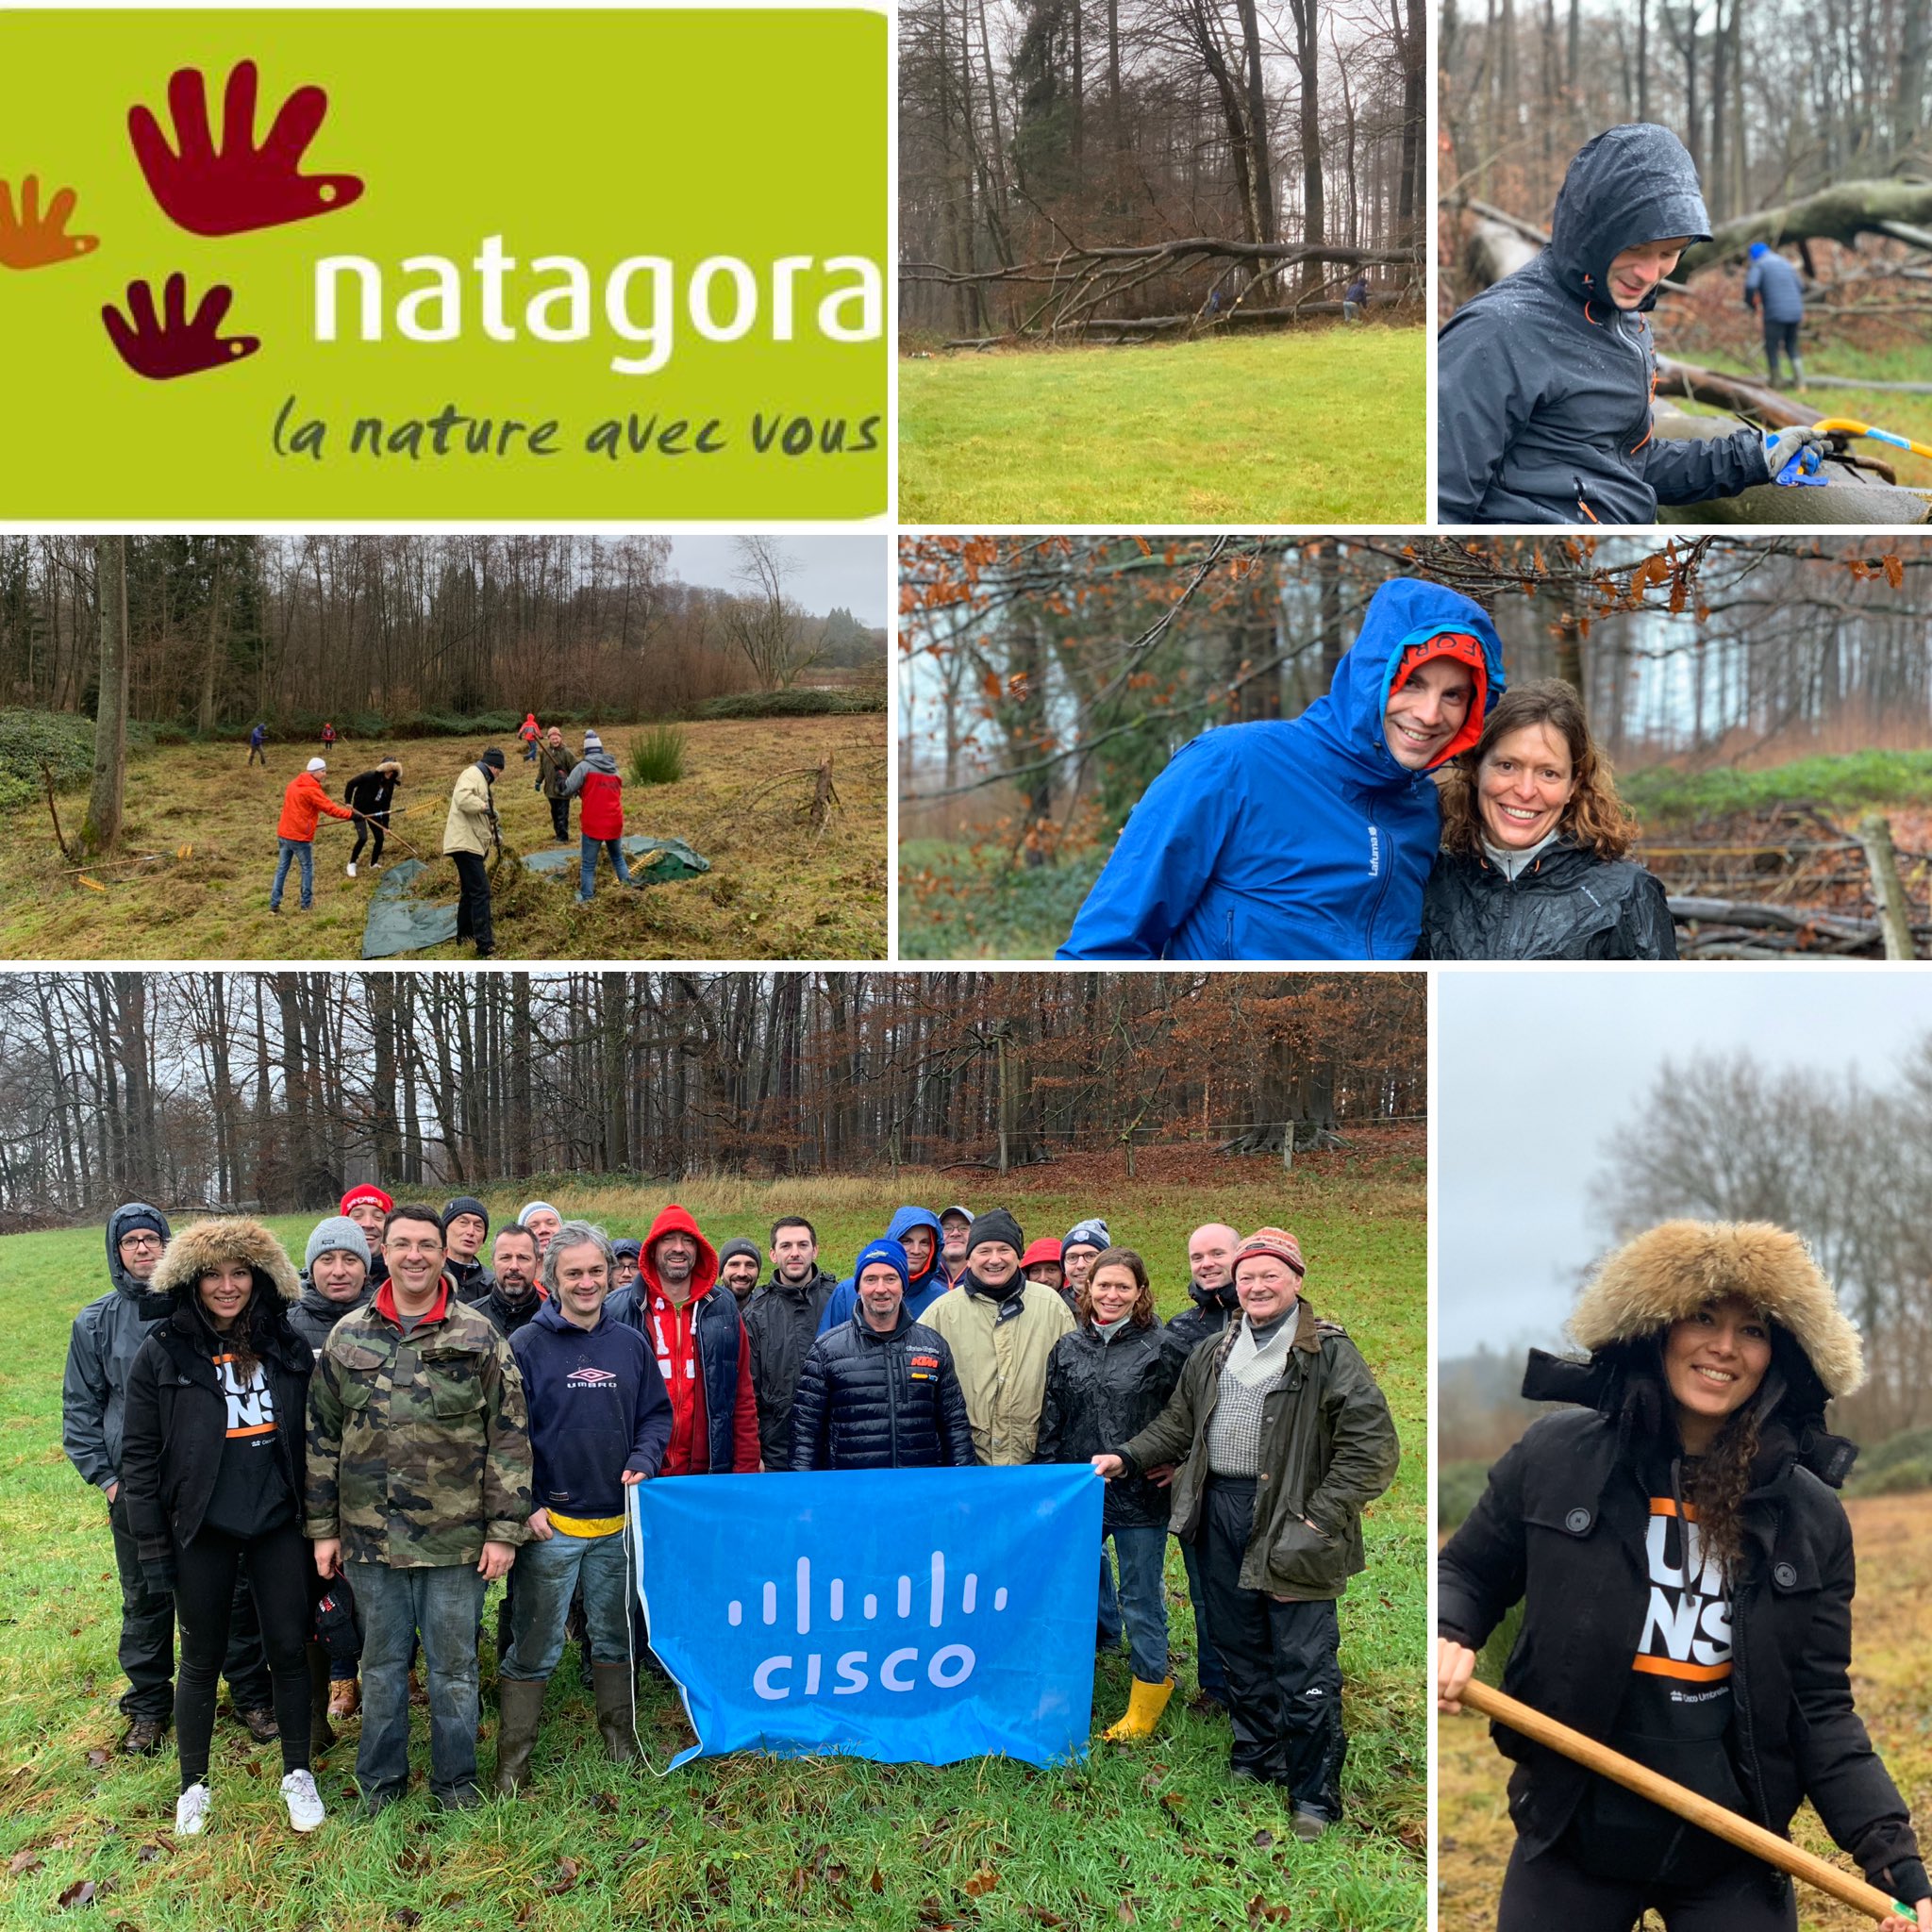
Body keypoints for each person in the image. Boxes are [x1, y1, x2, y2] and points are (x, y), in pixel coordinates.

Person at [1437, 1221, 1932, 1932]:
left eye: (1752, 1330)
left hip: (1730, 1843)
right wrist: (1450, 1628)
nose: (1724, 1346)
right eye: (1702, 1317)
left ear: (1778, 1356)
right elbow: (1469, 1573)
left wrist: (1894, 1861)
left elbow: (1820, 1707)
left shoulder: (1810, 1518)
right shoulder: (1555, 1459)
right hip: (1574, 1829)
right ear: (1655, 1330)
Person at [1094, 1228, 1398, 1829]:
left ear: (1296, 1280)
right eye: (1247, 1276)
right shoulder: (1215, 1350)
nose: (1257, 1286)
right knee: (1238, 1643)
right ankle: (1258, 1753)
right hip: (1219, 1511)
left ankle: (1314, 1792)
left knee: (1303, 1657)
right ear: (1234, 1284)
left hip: (1295, 1517)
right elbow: (1178, 1425)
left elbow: (1372, 1448)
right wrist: (1125, 1456)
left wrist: (1319, 1516)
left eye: (1270, 1275)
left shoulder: (1327, 1351)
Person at [1059, 578, 1506, 960]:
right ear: (1373, 677)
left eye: (1453, 695)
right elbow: (1103, 947)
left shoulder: (1422, 812)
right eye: (1411, 683)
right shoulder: (1231, 764)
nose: (1429, 714)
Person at [1438, 124, 1824, 525]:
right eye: (1635, 248)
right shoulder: (1496, 333)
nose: (1648, 272)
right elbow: (1440, 505)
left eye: (1670, 253)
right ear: (1591, 229)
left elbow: (1624, 465)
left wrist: (1751, 459)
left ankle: (1793, 380)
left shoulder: (1626, 320)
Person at [306, 1204, 533, 1814]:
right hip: (371, 1541)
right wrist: (323, 1529)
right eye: (402, 1243)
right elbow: (323, 1436)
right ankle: (380, 1787)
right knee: (380, 1667)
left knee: (454, 1671)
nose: (413, 1255)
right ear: (386, 1252)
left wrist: (505, 1530)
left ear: (441, 1254)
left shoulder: (478, 1336)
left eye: (426, 1245)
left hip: (457, 1543)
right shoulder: (347, 1335)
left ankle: (455, 1785)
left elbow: (509, 1437)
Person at [120, 1219, 323, 1837]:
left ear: (260, 1280)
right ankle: (194, 1785)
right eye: (214, 1274)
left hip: (277, 1524)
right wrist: (153, 1544)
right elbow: (139, 1452)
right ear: (193, 1280)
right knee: (201, 1657)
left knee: (288, 1649)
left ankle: (298, 1772)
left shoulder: (286, 1347)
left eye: (240, 1274)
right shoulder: (164, 1350)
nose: (228, 1286)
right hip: (201, 1526)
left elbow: (314, 1437)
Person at [64, 1203, 275, 1755]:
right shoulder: (94, 1323)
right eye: (129, 1241)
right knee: (146, 1599)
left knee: (232, 1594)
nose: (141, 1249)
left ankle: (252, 1695)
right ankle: (150, 1707)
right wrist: (111, 1483)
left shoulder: (203, 1314)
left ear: (170, 1248)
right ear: (116, 1251)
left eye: (151, 1239)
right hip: (135, 1490)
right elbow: (80, 1412)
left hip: (207, 1486)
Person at [495, 1222, 672, 1793]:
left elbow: (656, 1415)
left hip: (617, 1523)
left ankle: (620, 1737)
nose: (587, 1281)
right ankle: (513, 1760)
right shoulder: (526, 1346)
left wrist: (645, 1457)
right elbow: (504, 1434)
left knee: (615, 1633)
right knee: (536, 1642)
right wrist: (525, 1505)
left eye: (596, 1270)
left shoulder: (629, 1343)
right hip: (550, 1527)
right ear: (553, 1280)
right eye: (574, 1272)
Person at [1417, 679, 1677, 960]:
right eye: (1507, 766)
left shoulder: (1627, 894)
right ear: (1477, 769)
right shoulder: (1426, 878)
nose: (1525, 791)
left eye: (1548, 773)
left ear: (1573, 786)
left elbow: (1660, 1002)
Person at [1037, 1247, 1182, 1740]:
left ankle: (1148, 1692)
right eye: (1104, 1285)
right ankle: (1067, 1681)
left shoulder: (1163, 1347)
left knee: (1140, 1596)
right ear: (1086, 1288)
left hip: (1140, 1493)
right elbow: (1052, 1416)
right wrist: (1046, 1481)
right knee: (1069, 1589)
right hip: (1079, 1494)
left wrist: (1175, 1462)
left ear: (1140, 1291)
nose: (1112, 1294)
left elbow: (1182, 1416)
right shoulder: (1068, 1348)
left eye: (1123, 1286)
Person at [289, 1215, 375, 1729]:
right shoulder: (289, 1326)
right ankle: (335, 1687)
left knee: (380, 1586)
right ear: (310, 1267)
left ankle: (392, 1674)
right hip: (312, 1482)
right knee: (323, 1589)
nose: (339, 1271)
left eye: (350, 1260)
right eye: (327, 1259)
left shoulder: (385, 1318)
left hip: (374, 1480)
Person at [790, 1239, 974, 1471]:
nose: (880, 1288)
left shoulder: (934, 1346)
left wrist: (964, 1485)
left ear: (903, 1285)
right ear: (858, 1287)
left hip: (920, 1489)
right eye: (870, 1279)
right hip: (852, 1491)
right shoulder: (826, 1350)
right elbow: (805, 1433)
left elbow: (955, 1427)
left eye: (890, 1278)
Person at [607, 1206, 760, 1476]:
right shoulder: (619, 1308)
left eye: (688, 1240)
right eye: (668, 1239)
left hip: (707, 1472)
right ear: (653, 1249)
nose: (679, 1248)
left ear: (698, 1249)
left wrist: (746, 1468)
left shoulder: (723, 1307)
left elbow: (742, 1394)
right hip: (638, 1472)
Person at [1159, 1221, 1243, 1713]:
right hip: (1199, 1483)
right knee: (1206, 1588)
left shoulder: (1273, 1318)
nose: (1207, 1264)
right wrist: (1173, 1462)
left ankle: (1268, 1679)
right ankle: (1216, 1684)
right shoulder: (1182, 1329)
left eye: (1217, 1253)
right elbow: (1170, 1409)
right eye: (1197, 1257)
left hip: (1256, 1480)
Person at [924, 1210, 1076, 1465]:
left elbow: (1072, 1385)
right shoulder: (940, 1313)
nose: (995, 1260)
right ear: (969, 1258)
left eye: (1004, 1249)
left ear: (1018, 1256)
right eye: (984, 1251)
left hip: (1035, 1463)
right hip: (966, 1464)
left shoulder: (1051, 1306)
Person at [743, 1216, 841, 1469]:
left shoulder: (840, 1300)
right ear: (773, 1254)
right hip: (778, 1451)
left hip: (837, 1448)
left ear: (815, 1250)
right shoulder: (755, 1313)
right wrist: (754, 1453)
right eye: (786, 1246)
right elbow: (747, 1391)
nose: (795, 1253)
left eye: (803, 1245)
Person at [821, 1207, 947, 1334]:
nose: (916, 1250)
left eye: (925, 1242)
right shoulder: (846, 1293)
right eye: (906, 1241)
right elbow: (824, 1347)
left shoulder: (941, 1300)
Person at [442, 747, 505, 960]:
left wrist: (495, 835)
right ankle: (485, 945)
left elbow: (480, 815)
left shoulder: (482, 780)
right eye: (500, 770)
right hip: (464, 843)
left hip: (471, 842)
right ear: (493, 767)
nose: (499, 775)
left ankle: (464, 936)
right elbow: (463, 799)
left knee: (470, 892)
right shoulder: (472, 774)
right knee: (481, 891)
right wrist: (485, 807)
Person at [272, 757, 355, 914]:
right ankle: (306, 905)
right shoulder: (312, 790)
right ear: (314, 772)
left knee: (282, 869)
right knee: (307, 868)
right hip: (300, 838)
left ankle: (274, 905)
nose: (325, 774)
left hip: (284, 833)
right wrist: (351, 815)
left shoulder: (292, 784)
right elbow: (331, 809)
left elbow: (297, 808)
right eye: (323, 771)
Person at [564, 729, 634, 903]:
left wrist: (561, 779)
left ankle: (587, 898)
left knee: (588, 865)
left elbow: (566, 789)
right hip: (614, 821)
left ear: (587, 751)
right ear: (601, 750)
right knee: (618, 858)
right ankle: (628, 891)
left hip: (594, 823)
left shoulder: (584, 767)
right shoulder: (614, 769)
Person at [1744, 242, 1806, 388]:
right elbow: (1801, 286)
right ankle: (1801, 383)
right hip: (1795, 312)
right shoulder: (1784, 262)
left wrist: (1749, 303)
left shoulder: (1759, 264)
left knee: (1772, 346)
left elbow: (1751, 285)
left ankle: (1776, 382)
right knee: (1791, 345)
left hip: (1775, 313)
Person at [478, 1225, 543, 1339]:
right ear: (493, 1262)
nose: (514, 1266)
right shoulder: (467, 1319)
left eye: (523, 1258)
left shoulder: (555, 1320)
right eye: (505, 1257)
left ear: (537, 1264)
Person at [343, 759, 402, 877]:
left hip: (373, 811)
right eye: (390, 771)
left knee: (380, 838)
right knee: (363, 838)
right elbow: (351, 784)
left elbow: (386, 806)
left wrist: (385, 826)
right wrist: (348, 802)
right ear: (384, 769)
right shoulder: (369, 776)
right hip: (359, 810)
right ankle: (352, 863)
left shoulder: (390, 783)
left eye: (394, 772)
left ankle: (373, 863)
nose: (391, 774)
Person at [441, 1196, 496, 1303]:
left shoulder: (492, 1284)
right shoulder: (430, 1276)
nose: (471, 1232)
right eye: (463, 1223)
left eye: (478, 1226)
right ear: (444, 1230)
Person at [341, 1184, 392, 1290]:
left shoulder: (403, 1276)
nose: (368, 1224)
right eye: (357, 1216)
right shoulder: (325, 1277)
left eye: (378, 1217)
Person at [536, 726, 577, 843]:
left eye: (557, 738)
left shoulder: (567, 753)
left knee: (562, 814)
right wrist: (538, 781)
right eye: (553, 739)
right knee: (554, 814)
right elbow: (542, 768)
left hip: (563, 790)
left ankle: (563, 837)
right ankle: (558, 834)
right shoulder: (545, 752)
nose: (555, 741)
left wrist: (574, 784)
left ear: (561, 738)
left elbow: (576, 768)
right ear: (549, 739)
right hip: (550, 790)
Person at [1060, 1221, 1109, 1305]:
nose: (1080, 1265)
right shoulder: (1054, 1307)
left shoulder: (1130, 1307)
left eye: (1090, 1256)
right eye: (1072, 1257)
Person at [717, 1238, 760, 1306]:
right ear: (721, 1273)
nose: (742, 1273)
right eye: (734, 1265)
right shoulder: (703, 1309)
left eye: (750, 1265)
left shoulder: (768, 1311)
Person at [938, 1204, 973, 1287]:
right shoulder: (922, 1280)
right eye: (947, 1228)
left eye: (963, 1228)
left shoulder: (985, 1279)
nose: (955, 1233)